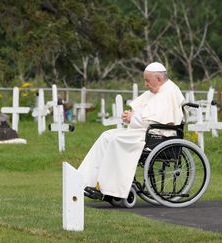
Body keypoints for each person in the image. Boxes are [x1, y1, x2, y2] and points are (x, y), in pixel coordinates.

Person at [78, 62, 185, 199]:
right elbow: (146, 113)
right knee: (107, 135)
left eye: (147, 80)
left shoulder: (169, 92)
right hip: (148, 132)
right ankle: (84, 180)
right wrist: (131, 116)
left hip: (159, 135)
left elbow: (158, 120)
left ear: (158, 79)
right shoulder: (157, 90)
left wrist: (134, 118)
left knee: (117, 139)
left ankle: (110, 190)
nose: (145, 84)